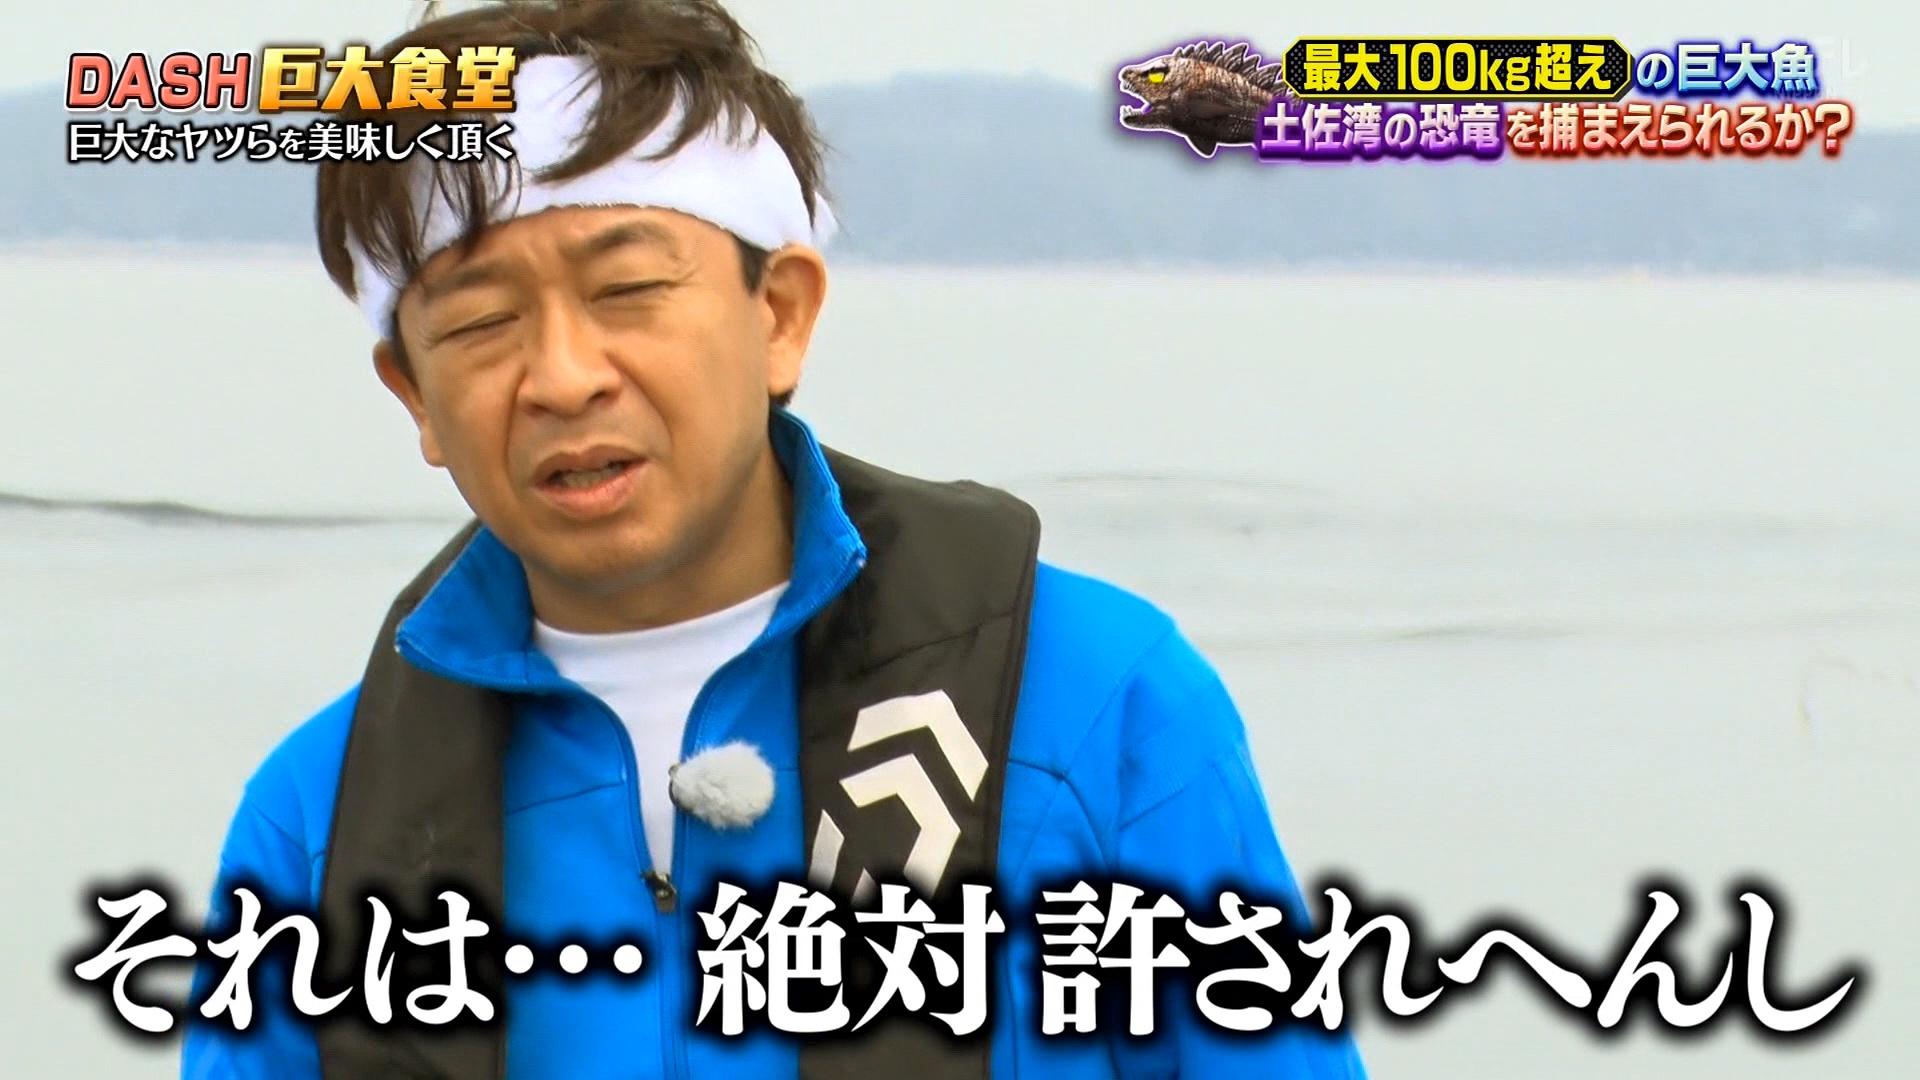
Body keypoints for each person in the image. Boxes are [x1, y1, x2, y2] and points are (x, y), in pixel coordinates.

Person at [181, 2, 1367, 1077]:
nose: (564, 377)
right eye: (482, 321)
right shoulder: (320, 823)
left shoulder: (1098, 702)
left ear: (781, 315)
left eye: (627, 291)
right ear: (416, 398)